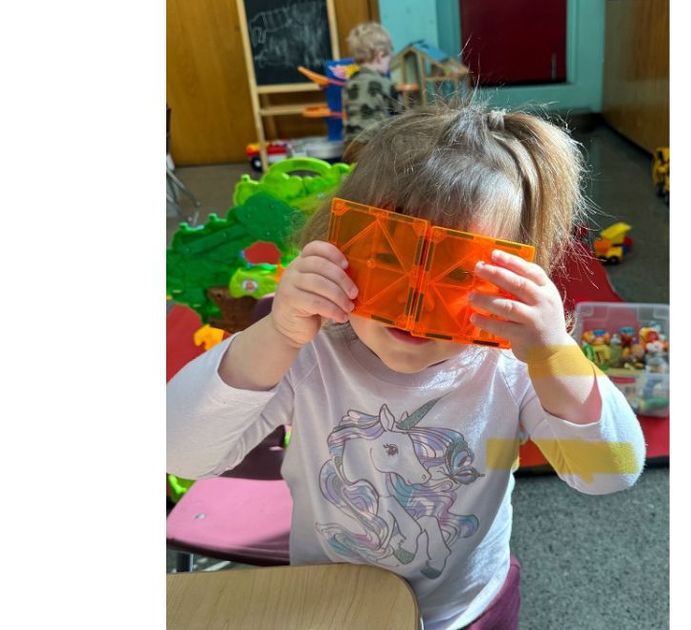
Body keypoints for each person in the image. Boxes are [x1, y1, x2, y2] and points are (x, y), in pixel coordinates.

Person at [167, 101, 646, 630]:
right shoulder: (313, 352)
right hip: (337, 606)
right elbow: (176, 449)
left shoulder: (510, 366)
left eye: (457, 276)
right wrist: (276, 334)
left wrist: (554, 352)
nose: (416, 308)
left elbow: (611, 472)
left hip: (470, 610)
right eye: (388, 260)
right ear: (336, 244)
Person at [342, 22, 399, 158]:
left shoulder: (349, 83)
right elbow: (400, 116)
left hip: (350, 146)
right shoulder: (385, 83)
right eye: (388, 59)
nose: (388, 64)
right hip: (373, 146)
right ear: (380, 56)